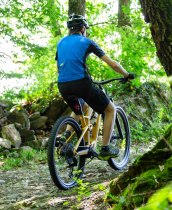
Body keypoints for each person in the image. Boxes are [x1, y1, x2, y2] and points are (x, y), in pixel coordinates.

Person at [55, 14, 133, 160]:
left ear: (70, 30)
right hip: (81, 83)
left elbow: (59, 68)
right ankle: (105, 148)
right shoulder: (87, 42)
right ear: (83, 28)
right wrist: (126, 74)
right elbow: (113, 64)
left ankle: (65, 136)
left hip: (63, 85)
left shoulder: (60, 43)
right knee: (110, 109)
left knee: (81, 107)